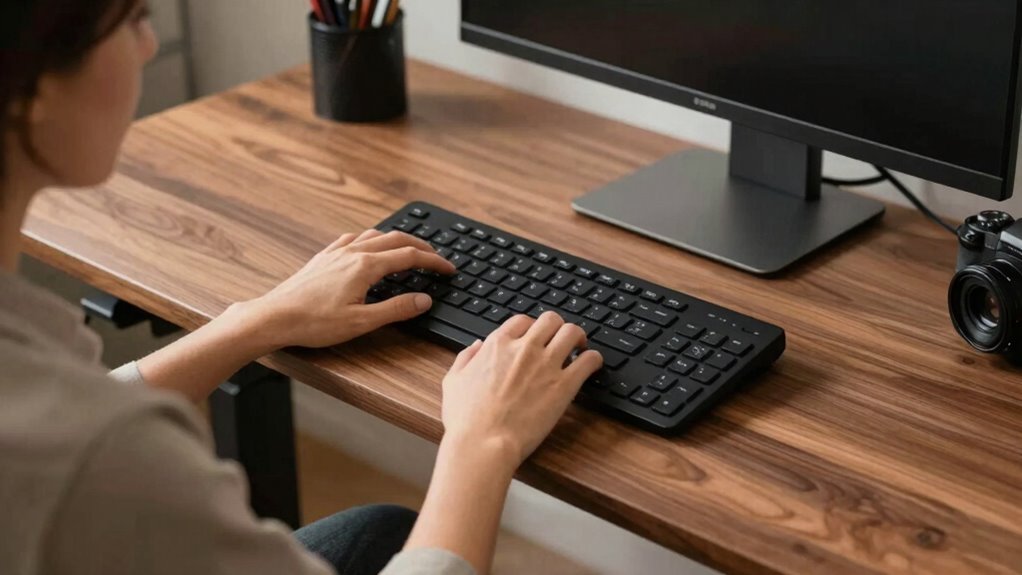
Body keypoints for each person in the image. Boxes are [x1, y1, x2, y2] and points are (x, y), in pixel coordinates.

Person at [0, 2, 604, 575]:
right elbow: (78, 440)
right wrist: (483, 442)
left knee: (382, 532)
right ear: (38, 80)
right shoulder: (94, 456)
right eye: (136, 17)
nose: (149, 43)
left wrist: (256, 321)